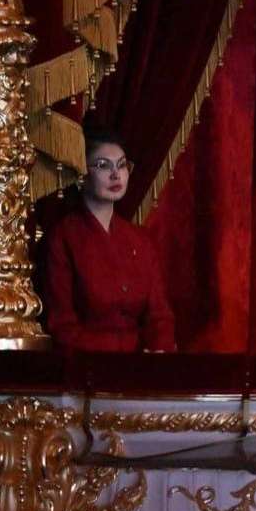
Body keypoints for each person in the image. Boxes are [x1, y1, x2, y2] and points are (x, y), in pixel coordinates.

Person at [43, 131, 175, 352]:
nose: (116, 175)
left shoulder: (140, 239)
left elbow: (160, 316)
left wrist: (158, 352)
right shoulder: (64, 237)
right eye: (103, 165)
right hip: (88, 370)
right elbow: (62, 328)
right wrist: (129, 349)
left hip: (143, 371)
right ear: (82, 176)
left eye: (122, 165)